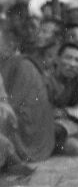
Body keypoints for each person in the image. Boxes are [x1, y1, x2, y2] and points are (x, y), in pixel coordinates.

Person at [0, 24, 56, 163]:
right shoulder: (11, 63)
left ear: (10, 44)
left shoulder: (22, 65)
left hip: (27, 132)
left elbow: (13, 104)